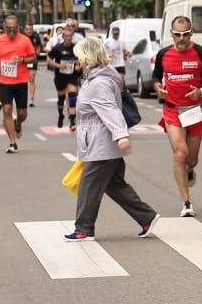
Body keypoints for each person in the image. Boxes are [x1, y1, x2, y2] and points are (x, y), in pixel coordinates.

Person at [65, 37, 159, 243]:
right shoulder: (99, 78)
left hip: (103, 144)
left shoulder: (99, 82)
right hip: (103, 142)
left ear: (87, 58)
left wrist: (121, 135)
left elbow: (110, 110)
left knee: (88, 186)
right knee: (114, 184)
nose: (76, 61)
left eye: (78, 57)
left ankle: (84, 229)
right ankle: (146, 217)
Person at [153, 15, 202, 218]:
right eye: (177, 35)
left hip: (195, 111)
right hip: (173, 110)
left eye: (185, 34)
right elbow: (155, 75)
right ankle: (187, 202)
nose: (182, 38)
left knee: (192, 159)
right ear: (172, 34)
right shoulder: (163, 54)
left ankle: (189, 171)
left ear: (191, 33)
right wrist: (158, 88)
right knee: (180, 153)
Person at [0, 15, 37, 154]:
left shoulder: (25, 40)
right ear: (5, 27)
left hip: (21, 81)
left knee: (22, 114)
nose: (11, 31)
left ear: (18, 27)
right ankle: (12, 143)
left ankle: (18, 123)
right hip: (4, 82)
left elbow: (33, 57)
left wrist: (22, 60)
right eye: (9, 28)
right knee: (7, 110)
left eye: (14, 28)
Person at [49, 25, 83, 130]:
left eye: (70, 36)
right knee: (61, 99)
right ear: (63, 37)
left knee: (72, 96)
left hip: (72, 76)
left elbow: (80, 60)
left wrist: (78, 65)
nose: (69, 38)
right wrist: (59, 66)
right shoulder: (57, 48)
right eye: (67, 36)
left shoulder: (75, 48)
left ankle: (72, 121)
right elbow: (49, 60)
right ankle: (61, 115)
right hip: (60, 77)